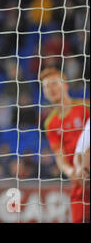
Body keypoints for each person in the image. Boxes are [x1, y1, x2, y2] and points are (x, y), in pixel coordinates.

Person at [40, 67, 90, 223]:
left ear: (65, 85)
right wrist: (71, 172)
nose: (51, 89)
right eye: (46, 87)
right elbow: (59, 156)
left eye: (54, 83)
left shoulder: (85, 107)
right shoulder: (50, 123)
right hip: (79, 181)